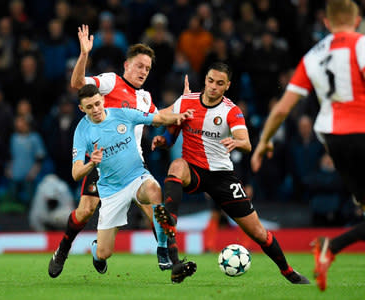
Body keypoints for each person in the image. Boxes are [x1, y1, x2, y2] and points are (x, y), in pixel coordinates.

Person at [251, 1, 365, 299]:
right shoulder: (361, 42)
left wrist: (264, 141)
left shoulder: (312, 55)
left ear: (326, 23)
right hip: (363, 132)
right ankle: (333, 245)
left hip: (332, 139)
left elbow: (283, 108)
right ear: (357, 20)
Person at [152, 62, 310, 284]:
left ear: (227, 86)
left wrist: (237, 142)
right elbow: (170, 132)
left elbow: (246, 143)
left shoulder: (231, 110)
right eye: (210, 81)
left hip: (221, 178)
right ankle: (173, 245)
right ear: (205, 79)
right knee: (176, 165)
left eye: (219, 83)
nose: (213, 87)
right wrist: (162, 140)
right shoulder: (186, 101)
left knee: (258, 233)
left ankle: (288, 271)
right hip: (194, 169)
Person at [48, 24, 177, 278]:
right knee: (85, 211)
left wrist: (183, 104)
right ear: (126, 65)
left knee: (155, 208)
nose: (143, 71)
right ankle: (64, 249)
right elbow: (77, 83)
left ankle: (170, 260)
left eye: (148, 68)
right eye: (139, 65)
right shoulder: (110, 82)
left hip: (133, 165)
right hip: (102, 164)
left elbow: (158, 118)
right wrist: (84, 55)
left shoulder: (146, 97)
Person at [72, 84, 192, 275]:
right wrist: (91, 164)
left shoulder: (122, 114)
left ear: (102, 100)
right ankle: (97, 251)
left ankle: (162, 249)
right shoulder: (82, 131)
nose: (95, 109)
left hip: (136, 177)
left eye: (97, 104)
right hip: (111, 190)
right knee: (104, 253)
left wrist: (179, 116)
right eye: (89, 107)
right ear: (82, 109)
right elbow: (76, 173)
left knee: (154, 189)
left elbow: (158, 118)